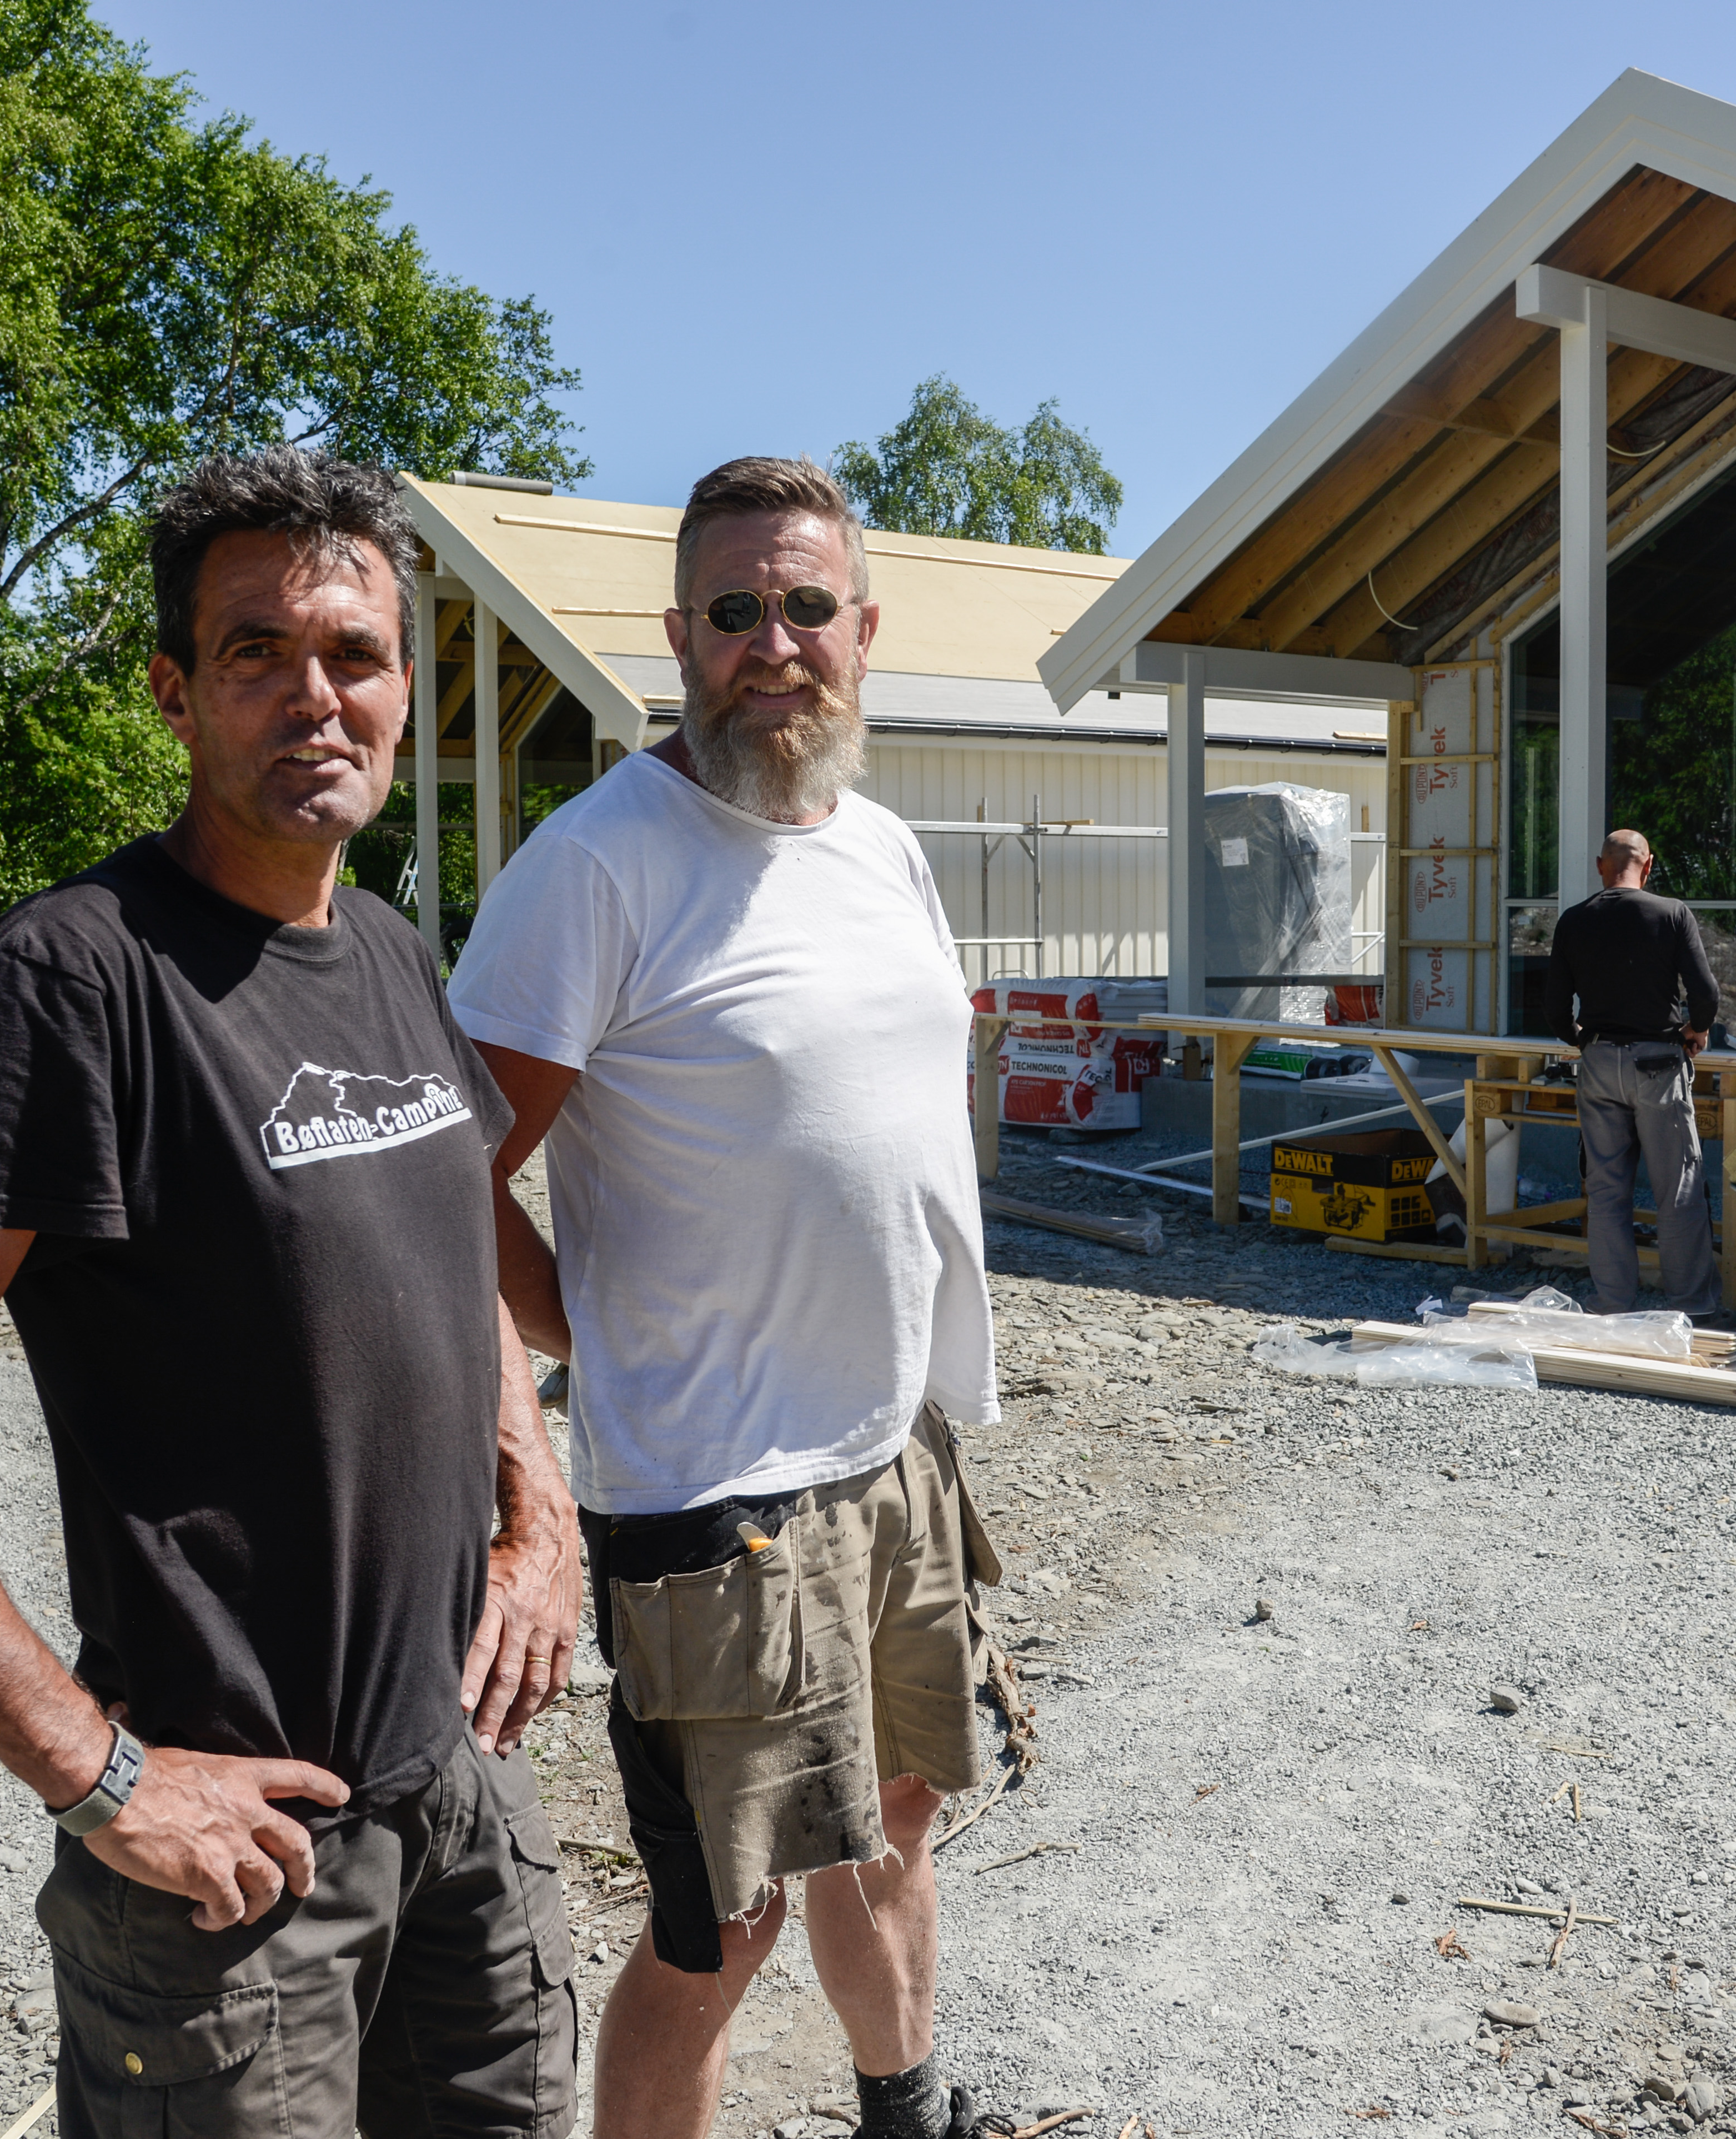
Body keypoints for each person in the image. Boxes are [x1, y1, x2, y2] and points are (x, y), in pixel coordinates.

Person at [0, 448, 583, 2139]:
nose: (312, 694)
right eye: (254, 650)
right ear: (172, 690)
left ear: (406, 688)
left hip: (462, 1806)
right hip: (239, 1869)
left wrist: (537, 1508)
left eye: (351, 652)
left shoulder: (397, 956)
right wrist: (102, 1773)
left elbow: (459, 1260)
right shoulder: (69, 981)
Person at [446, 456, 1001, 2139]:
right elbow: (443, 1172)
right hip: (713, 1497)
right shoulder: (595, 863)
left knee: (894, 1814)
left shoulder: (887, 847)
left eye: (806, 604)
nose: (776, 640)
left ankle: (901, 2108)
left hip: (895, 1446)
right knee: (726, 1912)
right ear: (677, 633)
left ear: (862, 627)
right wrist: (576, 1334)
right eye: (737, 610)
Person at [1546, 828, 1725, 1320]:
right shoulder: (1671, 914)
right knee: (1678, 1189)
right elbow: (1706, 995)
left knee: (1605, 1190)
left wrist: (1584, 1038)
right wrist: (1697, 1029)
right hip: (1660, 1066)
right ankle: (1692, 1306)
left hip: (1600, 1064)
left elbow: (1555, 1010)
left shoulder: (1574, 921)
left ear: (1600, 866)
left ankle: (1612, 1304)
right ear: (1648, 867)